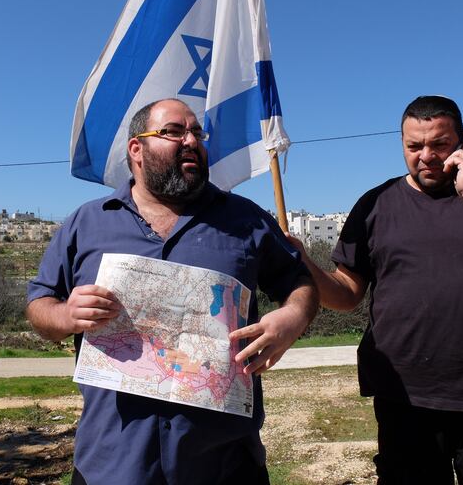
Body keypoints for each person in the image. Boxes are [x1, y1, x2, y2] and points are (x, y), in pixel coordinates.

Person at [26, 98, 317, 485]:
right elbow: (40, 306)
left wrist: (293, 317)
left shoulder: (246, 220)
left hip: (225, 467)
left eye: (197, 132)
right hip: (112, 465)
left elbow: (300, 283)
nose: (191, 141)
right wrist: (65, 315)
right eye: (174, 132)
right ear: (137, 149)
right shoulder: (87, 223)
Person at [289, 95, 463, 484]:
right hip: (404, 399)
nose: (425, 156)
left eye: (439, 144)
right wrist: (304, 263)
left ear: (462, 142)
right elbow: (346, 293)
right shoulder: (376, 204)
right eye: (414, 146)